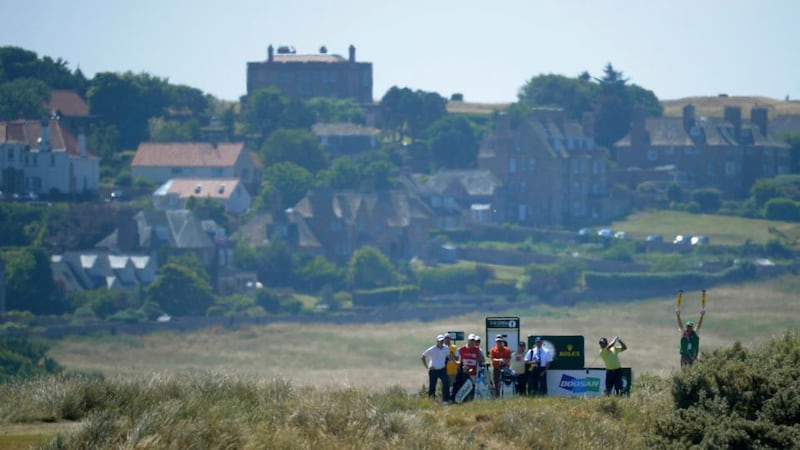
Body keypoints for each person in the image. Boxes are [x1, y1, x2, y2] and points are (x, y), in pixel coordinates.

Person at [421, 334, 451, 404]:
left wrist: (456, 362)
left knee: (446, 383)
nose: (441, 342)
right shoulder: (432, 349)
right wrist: (427, 367)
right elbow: (423, 356)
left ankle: (445, 400)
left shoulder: (446, 348)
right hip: (433, 370)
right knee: (432, 385)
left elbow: (449, 356)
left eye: (442, 341)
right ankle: (431, 401)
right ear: (437, 341)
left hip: (442, 369)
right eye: (440, 341)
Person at [443, 334, 459, 401]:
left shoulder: (454, 347)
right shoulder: (442, 347)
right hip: (444, 371)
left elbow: (457, 358)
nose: (447, 339)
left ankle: (452, 399)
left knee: (453, 386)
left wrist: (452, 356)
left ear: (450, 339)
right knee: (445, 387)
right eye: (446, 338)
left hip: (453, 370)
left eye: (448, 338)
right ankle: (445, 399)